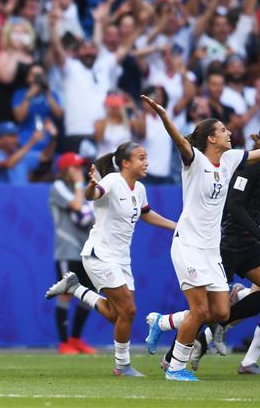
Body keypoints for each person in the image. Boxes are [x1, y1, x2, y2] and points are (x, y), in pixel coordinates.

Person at [139, 94, 260, 381]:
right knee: (199, 310)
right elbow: (181, 142)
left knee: (220, 312)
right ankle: (175, 368)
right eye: (222, 130)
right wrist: (163, 115)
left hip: (211, 249)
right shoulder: (194, 161)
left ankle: (164, 321)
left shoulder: (232, 159)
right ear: (210, 139)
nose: (229, 132)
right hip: (188, 244)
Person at [44, 142, 176, 377]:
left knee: (120, 314)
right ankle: (122, 366)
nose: (146, 162)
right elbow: (92, 195)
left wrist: (175, 226)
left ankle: (75, 288)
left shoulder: (140, 188)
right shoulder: (112, 181)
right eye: (140, 158)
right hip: (100, 255)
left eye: (146, 157)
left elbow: (146, 214)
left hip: (122, 259)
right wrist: (91, 186)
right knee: (129, 309)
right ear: (125, 163)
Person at [47, 152, 97, 355]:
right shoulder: (58, 187)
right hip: (67, 250)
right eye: (75, 167)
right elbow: (77, 205)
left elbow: (91, 216)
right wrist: (79, 185)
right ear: (65, 170)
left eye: (80, 167)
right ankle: (64, 342)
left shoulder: (83, 189)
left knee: (90, 295)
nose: (79, 171)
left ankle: (76, 339)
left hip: (86, 250)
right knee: (66, 294)